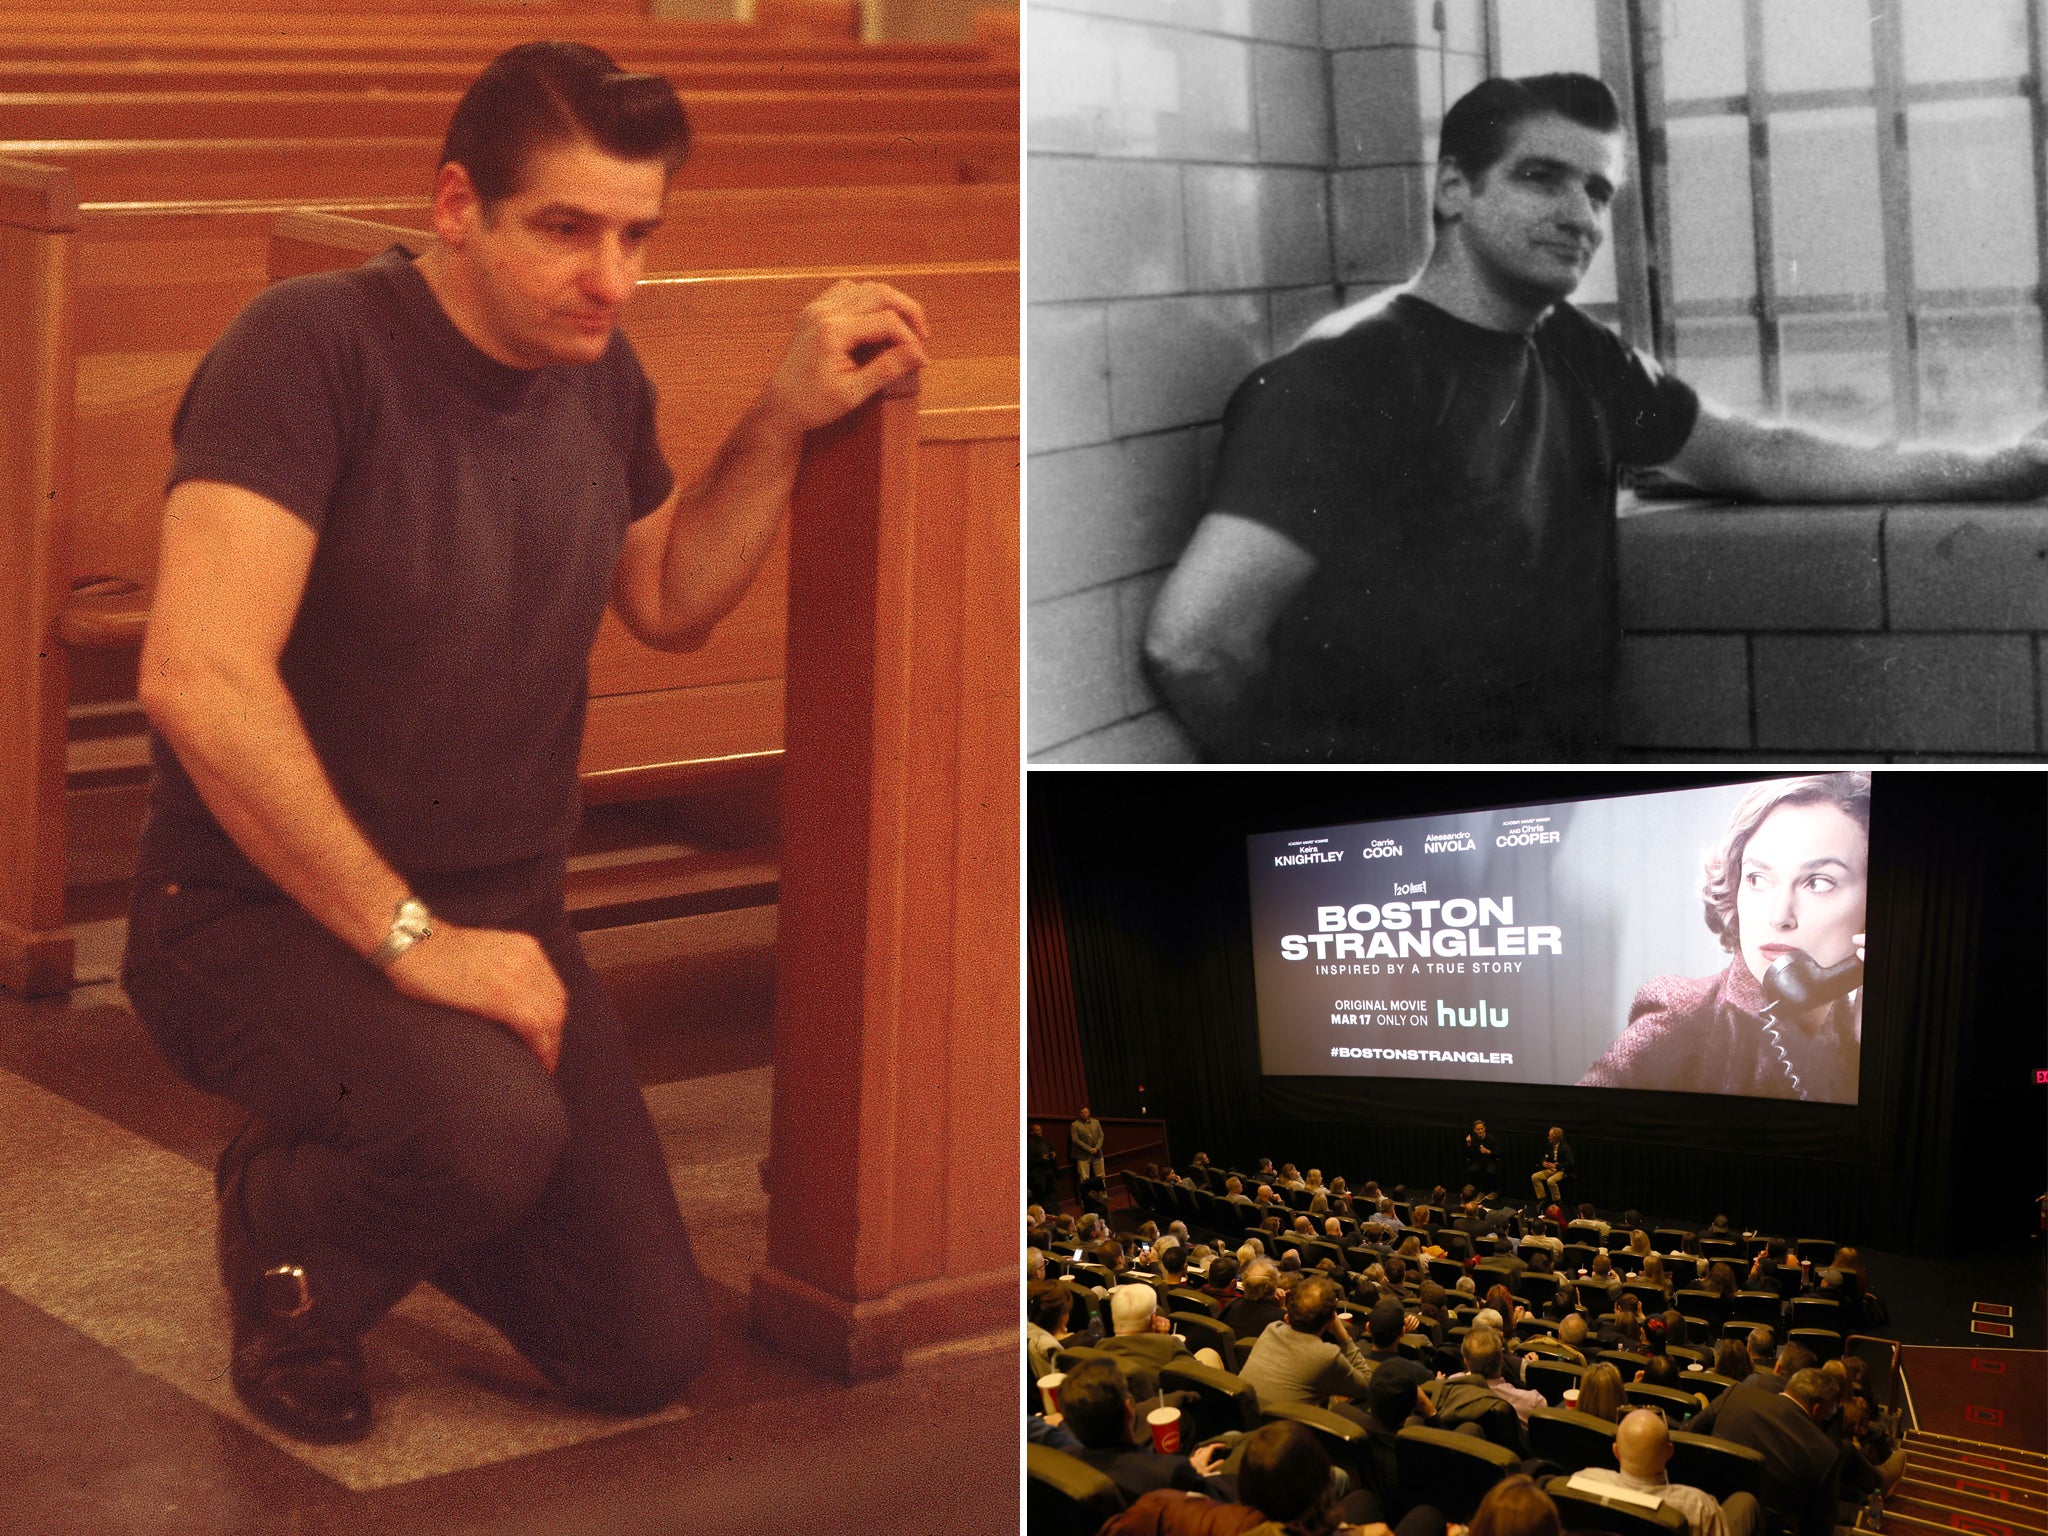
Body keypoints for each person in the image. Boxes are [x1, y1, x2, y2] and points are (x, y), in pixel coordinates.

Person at [120, 42, 932, 1447]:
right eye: (567, 228)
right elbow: (196, 676)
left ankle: (392, 1146)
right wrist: (413, 940)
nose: (610, 279)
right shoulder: (310, 348)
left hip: (498, 921)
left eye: (635, 236)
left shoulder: (596, 378)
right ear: (456, 206)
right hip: (249, 918)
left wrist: (785, 417)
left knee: (644, 1348)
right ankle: (287, 1236)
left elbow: (670, 595)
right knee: (484, 1136)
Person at [1142, 71, 2048, 763]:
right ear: (1454, 190)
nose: (1579, 214)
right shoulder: (1349, 373)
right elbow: (1195, 642)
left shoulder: (1569, 344)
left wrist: (1997, 468)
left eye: (1598, 191)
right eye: (1541, 178)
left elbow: (1752, 453)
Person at [1582, 773, 1870, 1100]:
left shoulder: (1854, 1029)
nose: (1779, 916)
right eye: (1758, 879)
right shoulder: (1682, 1015)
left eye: (1818, 882)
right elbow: (1567, 1129)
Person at [1057, 1356, 1232, 1506]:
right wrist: (1200, 1474)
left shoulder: (1061, 1460)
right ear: (1129, 1410)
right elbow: (1217, 1504)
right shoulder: (1170, 1472)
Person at [1703, 1370, 1847, 1536]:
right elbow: (1819, 1528)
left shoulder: (1735, 1394)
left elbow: (1689, 1433)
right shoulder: (1826, 1453)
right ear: (1817, 1408)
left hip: (1707, 1507)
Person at [1575, 1407, 1760, 1536]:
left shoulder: (1583, 1481)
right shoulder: (1700, 1507)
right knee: (1746, 1501)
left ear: (1616, 1451)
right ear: (1669, 1451)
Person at [1235, 1273, 1380, 1416]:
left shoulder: (1271, 1330)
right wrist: (1343, 1335)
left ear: (1289, 1315)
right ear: (1330, 1320)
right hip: (1284, 1435)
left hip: (1245, 1420)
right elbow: (1367, 1384)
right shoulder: (1326, 1355)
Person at [1070, 1105, 1107, 1191]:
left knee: (1101, 1176)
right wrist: (1089, 1149)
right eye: (1082, 1113)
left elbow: (1101, 1135)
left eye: (1085, 1112)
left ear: (1089, 1112)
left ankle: (1103, 1195)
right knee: (1084, 1178)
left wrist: (1097, 1148)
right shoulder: (1075, 1125)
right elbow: (1075, 1140)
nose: (1084, 1114)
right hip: (1082, 1155)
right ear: (1080, 1114)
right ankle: (1086, 1200)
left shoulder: (1096, 1122)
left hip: (1097, 1153)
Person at [1532, 1128, 1572, 1204]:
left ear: (1556, 1138)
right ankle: (1542, 1198)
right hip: (1552, 1169)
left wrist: (1556, 1165)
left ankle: (1557, 1200)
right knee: (1535, 1177)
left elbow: (1570, 1163)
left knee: (1550, 1181)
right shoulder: (1549, 1145)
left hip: (1562, 1170)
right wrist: (1544, 1162)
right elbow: (1545, 1156)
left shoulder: (1565, 1147)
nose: (1548, 1137)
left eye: (1550, 1136)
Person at [1027, 1122, 1060, 1206]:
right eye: (1038, 1130)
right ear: (1032, 1132)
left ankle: (1055, 1211)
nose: (1040, 1131)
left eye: (1040, 1129)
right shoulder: (1029, 1144)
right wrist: (1041, 1158)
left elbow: (1051, 1150)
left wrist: (1053, 1154)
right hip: (1039, 1175)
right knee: (1043, 1197)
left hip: (1049, 1171)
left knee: (1052, 1193)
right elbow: (1029, 1160)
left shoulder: (1045, 1141)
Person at [1465, 1120, 1500, 1191]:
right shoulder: (1473, 1139)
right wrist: (1468, 1144)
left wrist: (1488, 1151)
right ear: (1474, 1130)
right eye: (1478, 1129)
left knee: (1489, 1172)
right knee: (1471, 1170)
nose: (1480, 1131)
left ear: (1484, 1129)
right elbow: (1469, 1154)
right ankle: (1477, 1191)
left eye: (1481, 1129)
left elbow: (1497, 1153)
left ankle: (1491, 1191)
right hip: (1479, 1161)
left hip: (1491, 1160)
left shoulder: (1491, 1138)